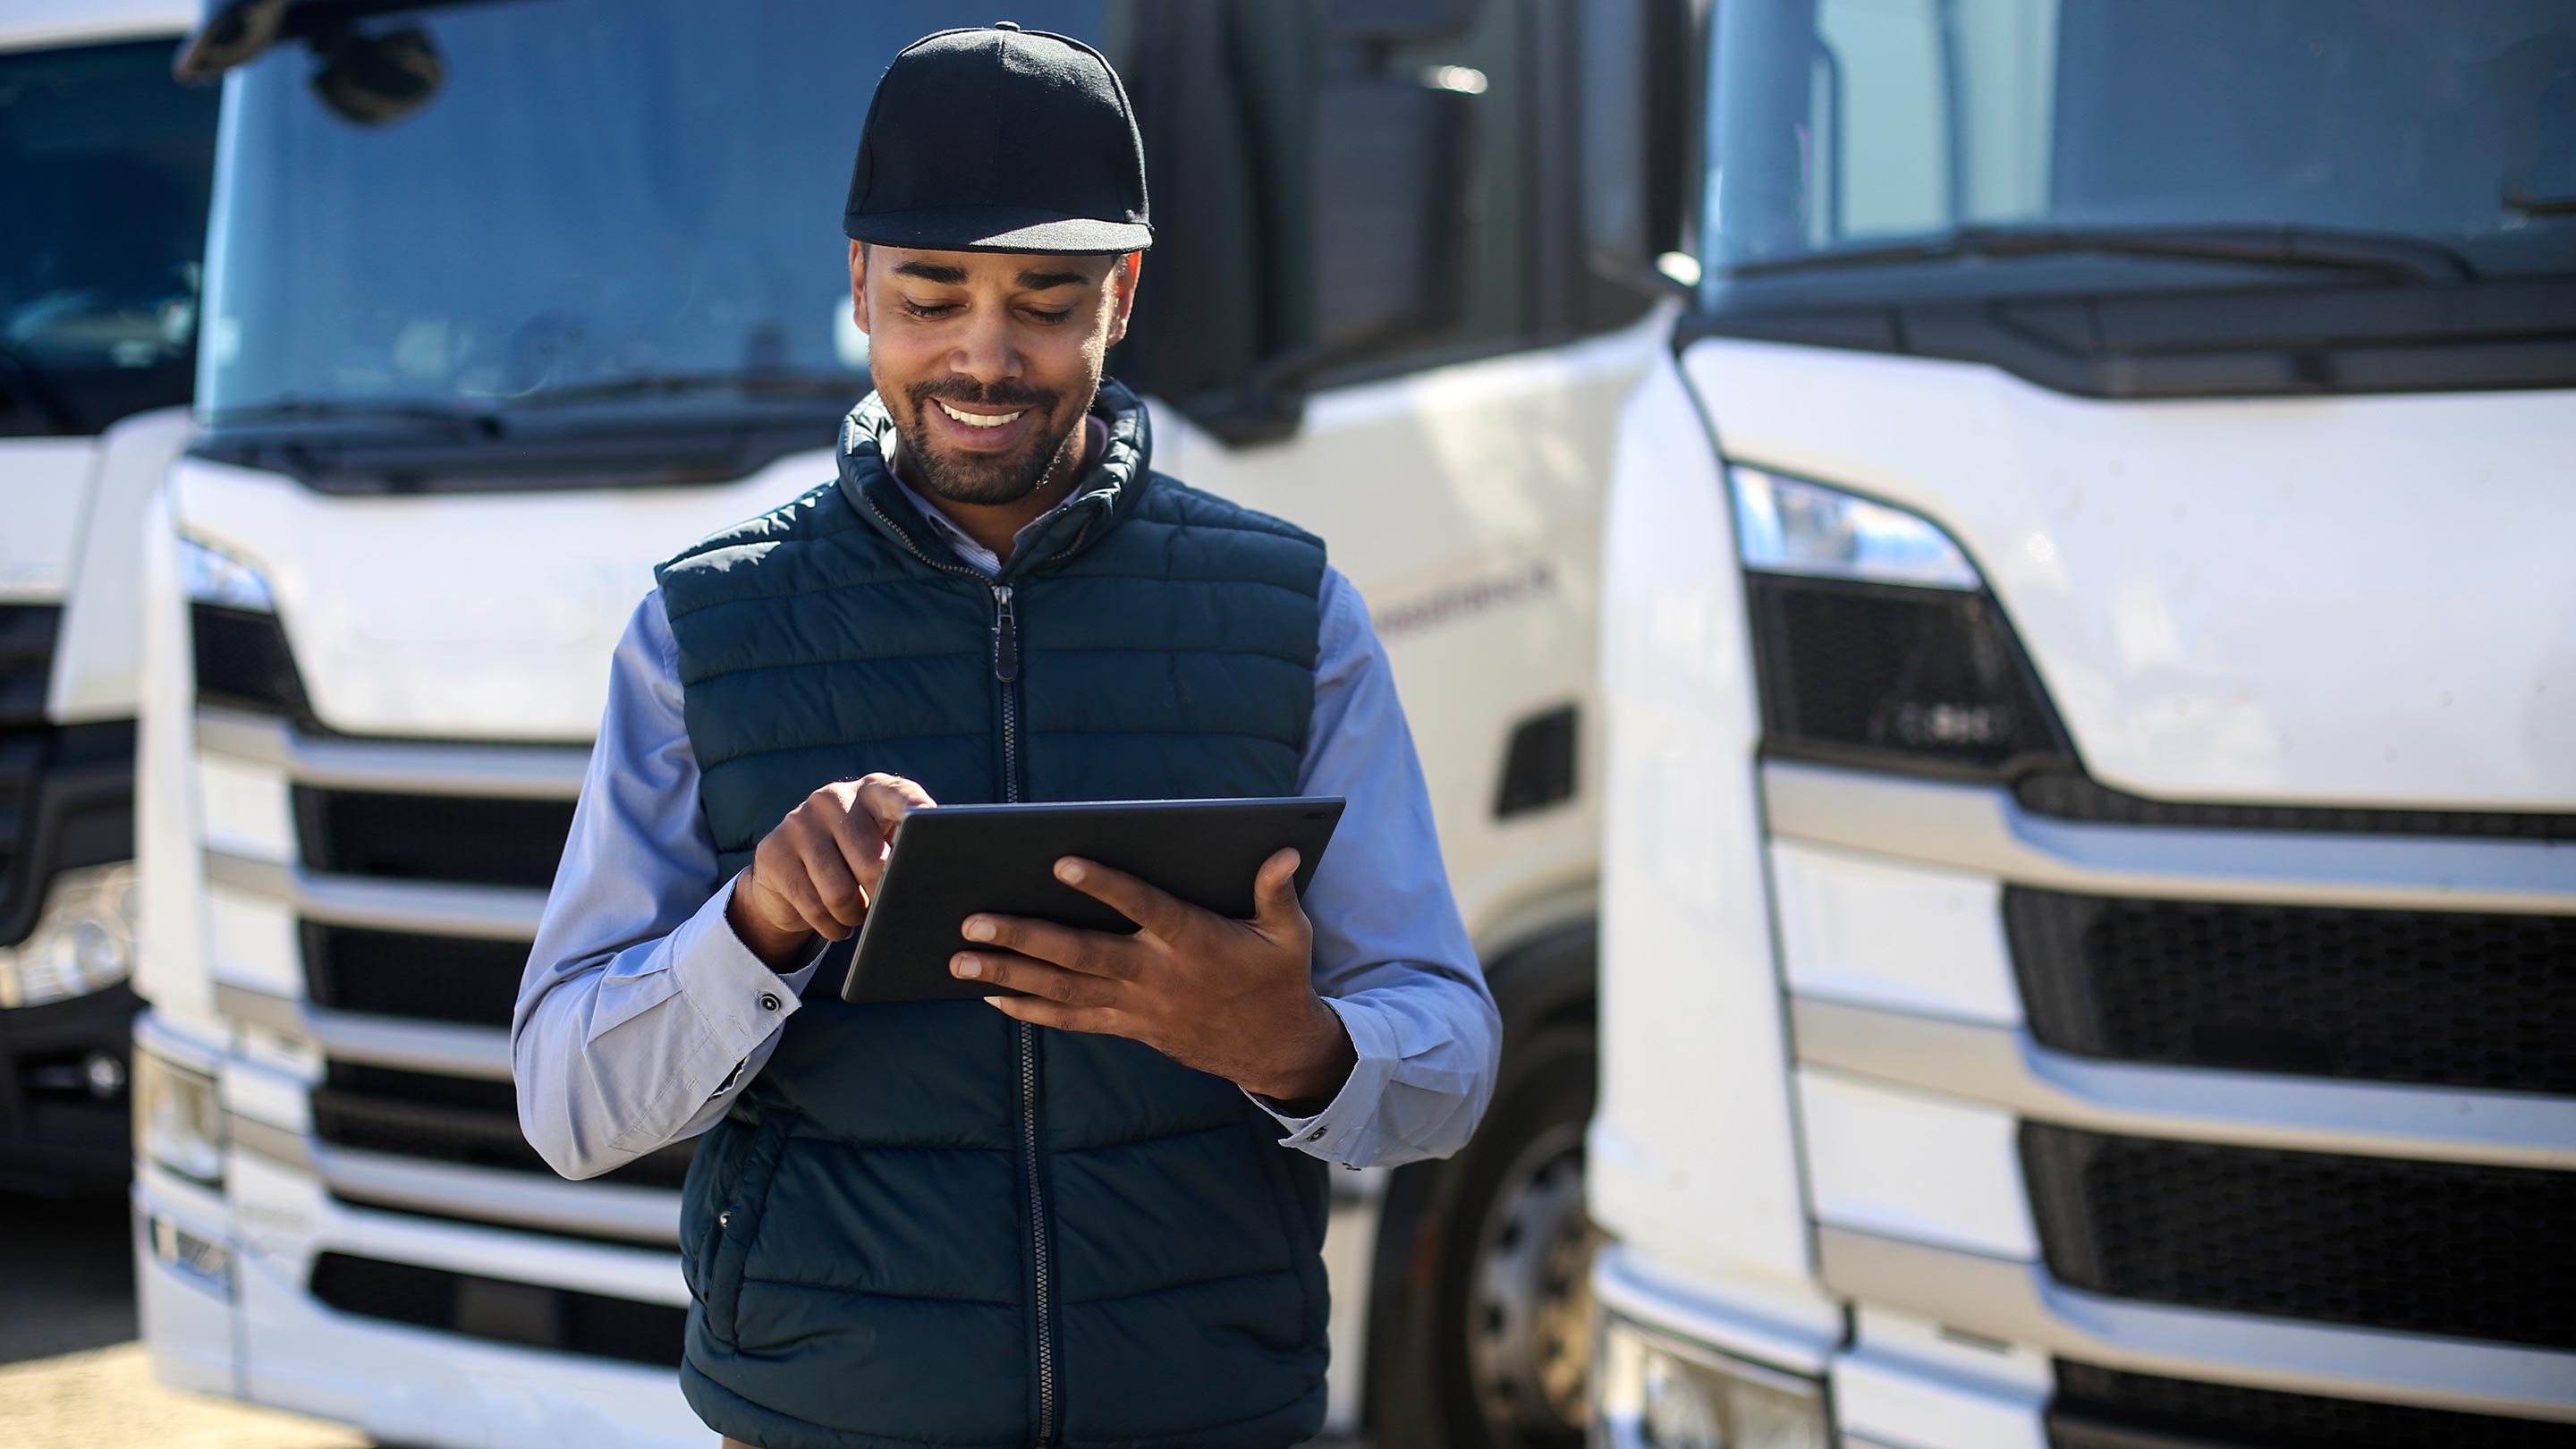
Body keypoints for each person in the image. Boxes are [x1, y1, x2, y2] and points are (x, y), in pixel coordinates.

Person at [511, 22, 1499, 1449]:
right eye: (930, 296)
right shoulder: (701, 630)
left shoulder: (1295, 612)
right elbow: (567, 1106)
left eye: (1046, 301)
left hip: (1203, 1415)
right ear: (857, 287)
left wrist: (1295, 1046)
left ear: (1125, 294)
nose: (986, 356)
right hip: (825, 1421)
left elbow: (1452, 1058)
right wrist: (757, 927)